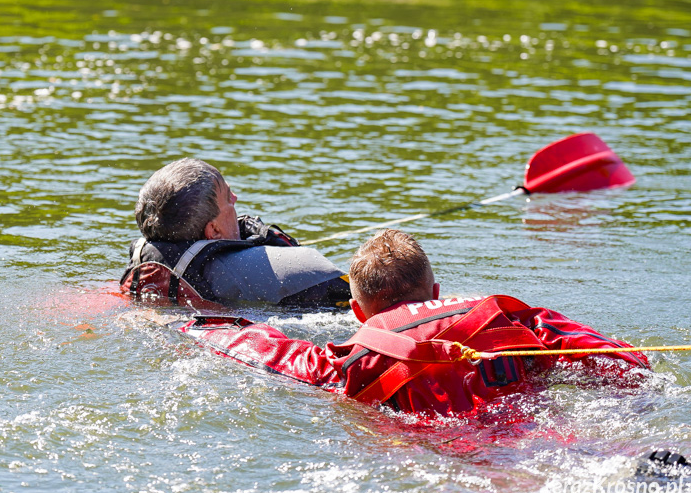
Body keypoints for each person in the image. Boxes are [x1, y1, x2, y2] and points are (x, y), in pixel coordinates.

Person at [170, 229, 649, 415]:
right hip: (551, 431)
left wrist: (187, 325)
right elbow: (627, 363)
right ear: (436, 292)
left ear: (357, 311)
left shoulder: (353, 356)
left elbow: (263, 348)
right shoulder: (504, 313)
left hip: (440, 456)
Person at [120, 158, 351, 310]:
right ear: (214, 230)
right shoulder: (285, 269)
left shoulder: (145, 276)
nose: (235, 199)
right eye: (228, 197)